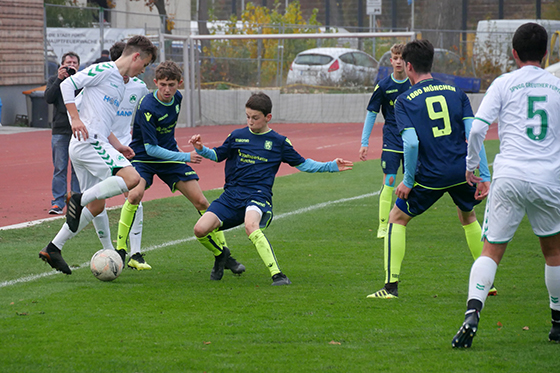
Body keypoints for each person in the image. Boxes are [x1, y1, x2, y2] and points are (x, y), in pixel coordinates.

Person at [452, 23, 560, 348]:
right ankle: (556, 322)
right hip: (548, 177)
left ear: (513, 53)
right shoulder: (557, 86)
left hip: (510, 175)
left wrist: (473, 169)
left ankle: (473, 313)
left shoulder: (503, 84)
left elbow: (476, 130)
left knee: (491, 251)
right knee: (554, 252)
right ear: (546, 53)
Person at [367, 39, 492, 299]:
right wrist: (485, 177)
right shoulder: (457, 93)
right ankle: (487, 283)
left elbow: (411, 143)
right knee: (467, 216)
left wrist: (409, 181)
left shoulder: (404, 100)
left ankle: (390, 287)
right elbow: (474, 133)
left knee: (396, 219)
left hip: (431, 175)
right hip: (462, 171)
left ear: (409, 65)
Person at [189, 92, 353, 285]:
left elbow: (304, 164)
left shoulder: (279, 142)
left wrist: (331, 165)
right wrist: (200, 148)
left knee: (251, 226)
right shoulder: (237, 136)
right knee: (200, 229)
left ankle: (277, 274)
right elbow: (217, 155)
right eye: (248, 117)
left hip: (258, 195)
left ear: (268, 117)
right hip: (231, 195)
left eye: (255, 118)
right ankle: (221, 254)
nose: (250, 121)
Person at [38, 35, 158, 275]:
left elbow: (104, 121)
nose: (143, 71)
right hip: (89, 142)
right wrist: (75, 119)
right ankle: (77, 199)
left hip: (91, 143)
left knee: (97, 205)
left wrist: (117, 145)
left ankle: (53, 247)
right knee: (133, 180)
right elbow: (66, 85)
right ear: (136, 56)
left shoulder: (122, 83)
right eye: (144, 65)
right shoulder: (104, 69)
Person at [115, 60, 243, 273]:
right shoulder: (147, 107)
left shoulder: (178, 99)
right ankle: (120, 250)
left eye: (172, 84)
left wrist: (178, 156)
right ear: (155, 82)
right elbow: (151, 148)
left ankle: (224, 255)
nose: (167, 89)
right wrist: (185, 156)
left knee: (201, 201)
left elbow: (165, 140)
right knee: (134, 195)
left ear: (179, 83)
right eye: (163, 84)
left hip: (170, 157)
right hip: (144, 157)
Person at [88, 41, 151, 268]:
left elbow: (144, 114)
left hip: (125, 148)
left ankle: (135, 253)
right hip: (100, 147)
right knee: (97, 201)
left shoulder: (139, 87)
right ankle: (109, 250)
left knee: (134, 195)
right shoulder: (101, 82)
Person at [359, 43, 411, 238]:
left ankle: (399, 222)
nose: (399, 61)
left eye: (402, 58)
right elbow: (371, 114)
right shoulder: (383, 86)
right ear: (391, 61)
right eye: (395, 58)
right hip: (390, 141)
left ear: (407, 61)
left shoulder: (413, 84)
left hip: (410, 142)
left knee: (410, 184)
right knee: (389, 181)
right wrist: (365, 142)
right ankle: (382, 226)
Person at [44, 51, 81, 215]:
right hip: (60, 130)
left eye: (74, 63)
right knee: (59, 167)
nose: (71, 66)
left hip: (78, 130)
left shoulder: (81, 81)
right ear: (62, 65)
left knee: (77, 168)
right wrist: (60, 79)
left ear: (78, 66)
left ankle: (75, 201)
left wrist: (76, 79)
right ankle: (58, 202)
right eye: (68, 63)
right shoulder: (54, 80)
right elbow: (49, 98)